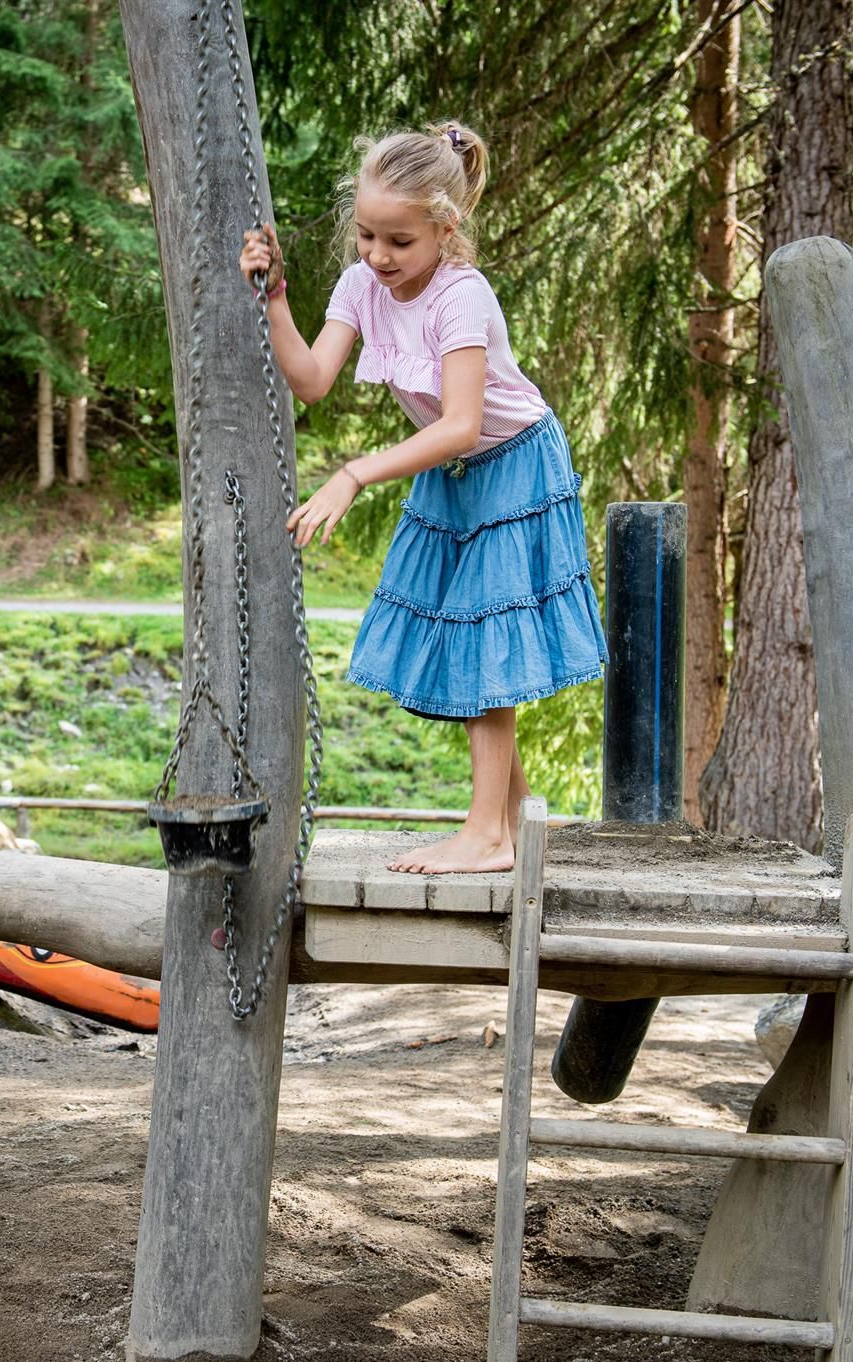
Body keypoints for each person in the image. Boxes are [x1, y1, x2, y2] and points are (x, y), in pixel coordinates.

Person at [238, 120, 605, 875]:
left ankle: (487, 835)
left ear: (447, 225)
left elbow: (464, 423)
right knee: (462, 626)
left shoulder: (461, 297)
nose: (378, 255)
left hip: (513, 463)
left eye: (399, 241)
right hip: (455, 469)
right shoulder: (361, 285)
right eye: (367, 235)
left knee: (483, 634)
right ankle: (513, 821)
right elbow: (311, 380)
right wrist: (274, 297)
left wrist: (355, 473)